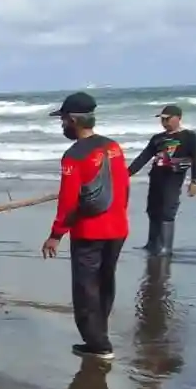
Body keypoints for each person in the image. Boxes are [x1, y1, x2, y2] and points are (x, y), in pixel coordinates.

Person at [40, 92, 130, 361]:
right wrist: (119, 216)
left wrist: (55, 235)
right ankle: (100, 335)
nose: (62, 125)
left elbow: (68, 202)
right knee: (105, 283)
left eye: (64, 120)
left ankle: (98, 345)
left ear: (73, 120)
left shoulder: (74, 156)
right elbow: (123, 185)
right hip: (118, 229)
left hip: (90, 232)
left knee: (86, 288)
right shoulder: (113, 146)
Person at [127, 105, 196, 257]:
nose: (164, 122)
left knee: (167, 210)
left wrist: (195, 180)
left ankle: (166, 247)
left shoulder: (189, 137)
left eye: (168, 119)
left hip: (173, 178)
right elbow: (143, 157)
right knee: (152, 210)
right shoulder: (157, 138)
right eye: (162, 119)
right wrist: (126, 173)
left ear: (178, 118)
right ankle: (152, 243)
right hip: (156, 177)